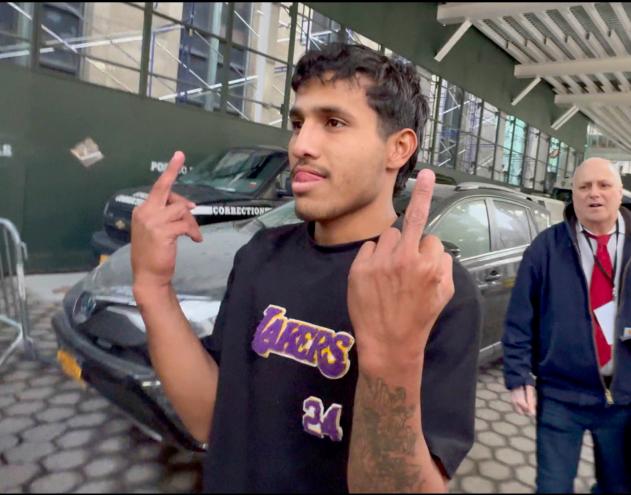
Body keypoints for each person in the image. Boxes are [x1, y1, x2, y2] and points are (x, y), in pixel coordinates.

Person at [130, 43, 481, 493]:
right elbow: (211, 418)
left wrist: (393, 359)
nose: (300, 145)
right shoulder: (261, 255)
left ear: (398, 148)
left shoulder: (434, 286)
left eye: (333, 122)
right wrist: (153, 285)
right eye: (298, 123)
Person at [502, 157, 631, 493]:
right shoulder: (546, 247)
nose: (594, 194)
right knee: (552, 486)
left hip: (625, 400)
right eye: (584, 186)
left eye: (604, 185)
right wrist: (517, 377)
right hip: (560, 397)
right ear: (572, 195)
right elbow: (519, 318)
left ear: (620, 192)